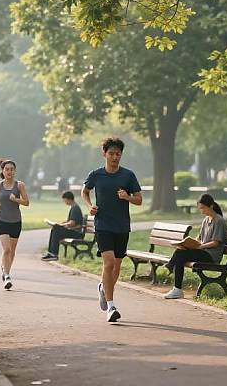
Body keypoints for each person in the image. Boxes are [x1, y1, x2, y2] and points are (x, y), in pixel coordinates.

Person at [82, 137, 142, 323]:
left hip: (122, 225)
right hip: (103, 225)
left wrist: (127, 197)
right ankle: (111, 306)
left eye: (118, 154)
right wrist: (90, 206)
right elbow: (85, 191)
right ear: (104, 154)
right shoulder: (96, 174)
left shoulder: (128, 175)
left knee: (116, 266)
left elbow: (139, 200)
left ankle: (103, 288)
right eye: (111, 154)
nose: (115, 157)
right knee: (108, 264)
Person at [164, 194, 227, 299]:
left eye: (203, 208)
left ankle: (172, 273)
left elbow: (216, 243)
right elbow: (199, 238)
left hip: (211, 256)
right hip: (203, 252)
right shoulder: (206, 220)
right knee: (181, 250)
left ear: (211, 206)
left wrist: (200, 247)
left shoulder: (219, 221)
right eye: (200, 208)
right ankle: (176, 286)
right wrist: (189, 244)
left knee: (180, 255)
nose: (201, 211)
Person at [0, 159, 29, 290]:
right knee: (6, 249)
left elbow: (26, 202)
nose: (9, 172)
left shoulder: (20, 186)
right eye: (7, 169)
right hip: (2, 220)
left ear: (14, 171)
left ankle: (5, 269)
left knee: (12, 251)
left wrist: (15, 199)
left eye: (12, 169)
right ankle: (6, 276)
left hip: (16, 221)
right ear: (2, 171)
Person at [41, 190, 84, 261]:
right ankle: (51, 253)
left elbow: (72, 223)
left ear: (69, 199)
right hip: (74, 231)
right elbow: (70, 221)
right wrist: (59, 224)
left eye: (65, 200)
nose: (65, 202)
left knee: (56, 231)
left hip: (77, 233)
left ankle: (54, 254)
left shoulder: (75, 208)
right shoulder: (73, 207)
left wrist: (62, 225)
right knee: (55, 229)